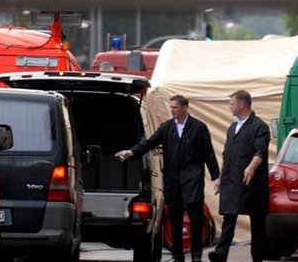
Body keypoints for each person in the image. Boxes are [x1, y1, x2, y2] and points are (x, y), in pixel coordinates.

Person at [115, 95, 220, 262]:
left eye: (175, 107)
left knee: (195, 217)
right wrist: (132, 152)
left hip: (192, 179)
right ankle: (177, 255)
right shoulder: (166, 127)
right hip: (173, 179)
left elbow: (208, 153)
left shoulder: (199, 127)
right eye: (171, 107)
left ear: (185, 107)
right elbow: (149, 143)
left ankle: (196, 254)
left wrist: (216, 177)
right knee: (175, 218)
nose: (172, 110)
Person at [208, 90, 270, 262]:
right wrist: (221, 177)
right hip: (231, 180)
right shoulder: (232, 127)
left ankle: (257, 257)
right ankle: (221, 254)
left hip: (252, 183)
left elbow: (261, 151)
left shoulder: (259, 126)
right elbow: (226, 154)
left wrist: (251, 167)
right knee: (229, 216)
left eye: (232, 103)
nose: (230, 107)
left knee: (257, 221)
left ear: (242, 104)